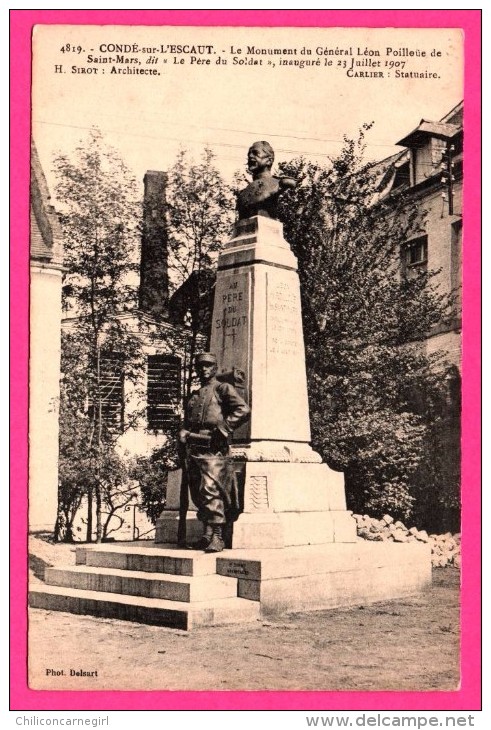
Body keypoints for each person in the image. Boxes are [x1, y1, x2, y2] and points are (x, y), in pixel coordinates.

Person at [179, 353, 250, 552]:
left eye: (208, 366)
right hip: (194, 448)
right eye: (200, 366)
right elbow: (188, 421)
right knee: (198, 493)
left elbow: (243, 410)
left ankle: (218, 536)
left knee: (211, 489)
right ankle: (207, 534)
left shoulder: (222, 389)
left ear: (215, 368)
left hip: (214, 448)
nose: (203, 369)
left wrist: (224, 429)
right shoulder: (194, 395)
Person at [236, 140, 296, 220]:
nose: (250, 156)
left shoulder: (277, 184)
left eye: (255, 153)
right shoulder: (243, 193)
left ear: (269, 161)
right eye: (249, 154)